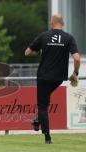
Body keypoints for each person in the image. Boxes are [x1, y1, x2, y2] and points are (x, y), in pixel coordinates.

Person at [25, 14, 81, 144]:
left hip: (44, 76)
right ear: (63, 23)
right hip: (59, 78)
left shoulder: (43, 36)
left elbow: (27, 52)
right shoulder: (69, 38)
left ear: (51, 23)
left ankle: (47, 137)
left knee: (43, 105)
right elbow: (77, 58)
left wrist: (39, 51)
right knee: (44, 99)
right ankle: (38, 120)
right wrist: (75, 73)